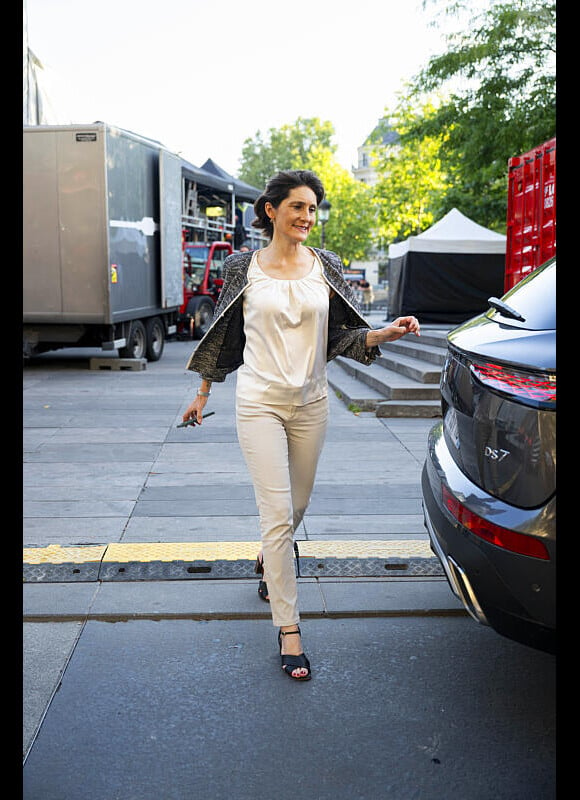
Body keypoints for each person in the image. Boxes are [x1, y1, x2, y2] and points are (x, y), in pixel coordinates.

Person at [182, 169, 420, 681]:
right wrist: (203, 394)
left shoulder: (325, 266)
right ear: (271, 210)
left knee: (296, 507)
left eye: (313, 209)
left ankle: (270, 558)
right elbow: (225, 334)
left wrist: (385, 335)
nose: (307, 218)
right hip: (259, 403)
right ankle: (290, 629)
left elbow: (342, 339)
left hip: (312, 402)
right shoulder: (242, 266)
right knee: (276, 518)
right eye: (297, 207)